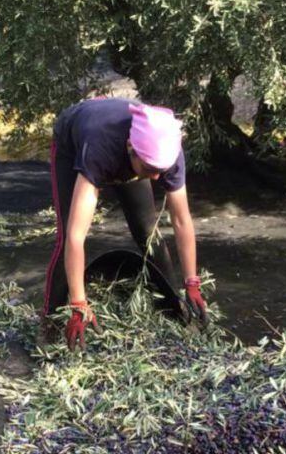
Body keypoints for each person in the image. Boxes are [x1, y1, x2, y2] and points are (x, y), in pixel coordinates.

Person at [42, 98, 208, 349]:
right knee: (66, 236)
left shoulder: (165, 153)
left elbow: (182, 221)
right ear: (130, 147)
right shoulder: (100, 150)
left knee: (147, 232)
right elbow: (77, 236)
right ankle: (50, 326)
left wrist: (191, 282)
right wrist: (79, 304)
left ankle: (175, 310)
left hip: (132, 149)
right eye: (150, 169)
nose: (155, 177)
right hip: (76, 138)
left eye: (160, 171)